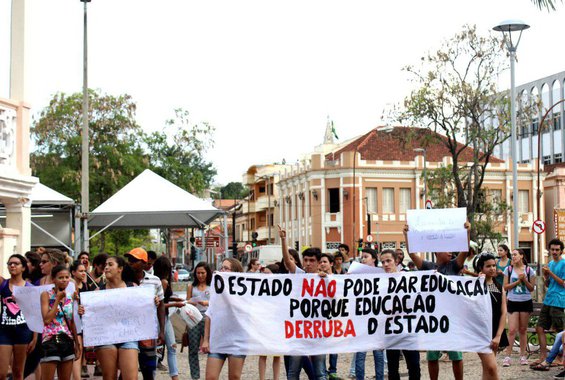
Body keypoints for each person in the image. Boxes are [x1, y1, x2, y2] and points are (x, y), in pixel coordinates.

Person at [404, 222, 470, 380]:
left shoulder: (454, 266)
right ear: (437, 252)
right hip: (433, 317)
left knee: (456, 355)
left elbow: (465, 251)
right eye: (447, 249)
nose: (450, 252)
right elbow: (412, 254)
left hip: (452, 317)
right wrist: (406, 235)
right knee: (432, 356)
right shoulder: (427, 266)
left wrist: (467, 232)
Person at [279, 226, 327, 380]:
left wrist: (325, 279)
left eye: (312, 260)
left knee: (320, 372)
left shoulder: (326, 279)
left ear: (319, 262)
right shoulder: (299, 275)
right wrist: (283, 240)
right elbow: (287, 261)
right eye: (305, 260)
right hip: (299, 331)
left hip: (318, 330)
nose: (308, 263)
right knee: (293, 372)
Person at [79, 256, 138, 380]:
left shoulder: (133, 288)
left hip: (128, 336)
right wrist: (83, 311)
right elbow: (90, 315)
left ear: (120, 269)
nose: (106, 267)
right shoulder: (97, 291)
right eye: (106, 265)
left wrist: (152, 301)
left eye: (110, 264)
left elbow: (142, 309)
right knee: (109, 377)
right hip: (106, 337)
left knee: (131, 377)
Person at [201, 258, 246, 380]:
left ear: (235, 272)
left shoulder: (244, 292)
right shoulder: (216, 289)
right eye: (222, 267)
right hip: (218, 338)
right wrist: (206, 339)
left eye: (226, 268)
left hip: (237, 340)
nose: (222, 270)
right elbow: (209, 314)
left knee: (234, 377)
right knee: (210, 377)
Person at [380, 249, 420, 380]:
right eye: (383, 262)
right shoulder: (378, 282)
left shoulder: (408, 277)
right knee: (392, 367)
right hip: (390, 330)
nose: (385, 264)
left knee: (413, 365)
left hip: (409, 329)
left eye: (388, 261)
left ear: (396, 261)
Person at [126, 248, 165, 380]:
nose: (130, 263)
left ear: (144, 262)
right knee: (126, 370)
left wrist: (162, 331)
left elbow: (161, 306)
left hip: (147, 331)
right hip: (127, 332)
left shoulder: (155, 281)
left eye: (134, 260)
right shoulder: (122, 281)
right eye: (129, 260)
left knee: (148, 369)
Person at [0, 254, 37, 380]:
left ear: (23, 268)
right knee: (2, 372)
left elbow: (35, 313)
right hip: (4, 330)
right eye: (9, 263)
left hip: (23, 330)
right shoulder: (3, 284)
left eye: (16, 263)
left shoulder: (30, 288)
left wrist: (35, 337)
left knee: (18, 371)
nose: (12, 265)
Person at [40, 265, 80, 380]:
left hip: (67, 339)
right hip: (50, 340)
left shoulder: (70, 297)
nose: (64, 280)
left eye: (67, 277)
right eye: (60, 277)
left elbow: (71, 321)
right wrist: (57, 300)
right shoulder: (46, 295)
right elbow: (47, 320)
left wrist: (77, 343)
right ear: (53, 279)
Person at [476, 253, 509, 379]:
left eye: (494, 265)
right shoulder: (475, 286)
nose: (492, 268)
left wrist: (498, 336)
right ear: (481, 268)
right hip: (480, 332)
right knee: (492, 367)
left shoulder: (500, 288)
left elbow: (503, 312)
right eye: (488, 266)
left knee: (487, 367)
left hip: (495, 332)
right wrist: (478, 283)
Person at [354, 248, 385, 380]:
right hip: (361, 320)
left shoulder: (383, 274)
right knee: (360, 355)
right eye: (361, 257)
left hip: (378, 321)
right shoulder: (355, 274)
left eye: (365, 256)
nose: (363, 259)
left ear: (373, 258)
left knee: (378, 355)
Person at [534, 239, 565, 366]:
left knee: (561, 331)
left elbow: (563, 283)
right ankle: (543, 356)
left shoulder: (563, 264)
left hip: (559, 300)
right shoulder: (550, 263)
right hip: (549, 299)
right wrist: (546, 276)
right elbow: (548, 284)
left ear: (561, 251)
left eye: (557, 250)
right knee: (540, 327)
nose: (554, 252)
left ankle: (560, 358)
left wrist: (550, 273)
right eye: (552, 249)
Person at [502, 248, 535, 367]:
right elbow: (505, 287)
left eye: (515, 255)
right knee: (511, 330)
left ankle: (523, 355)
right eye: (512, 255)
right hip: (513, 302)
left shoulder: (529, 270)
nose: (513, 257)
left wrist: (524, 280)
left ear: (521, 256)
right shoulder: (508, 269)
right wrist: (517, 282)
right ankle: (507, 356)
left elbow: (531, 288)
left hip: (525, 301)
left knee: (522, 330)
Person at [153, 256, 183, 380]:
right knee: (168, 348)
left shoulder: (156, 280)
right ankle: (174, 376)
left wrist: (174, 299)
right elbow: (160, 305)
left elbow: (162, 299)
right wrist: (175, 304)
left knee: (167, 348)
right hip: (162, 318)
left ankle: (156, 375)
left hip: (163, 318)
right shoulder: (163, 282)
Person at [186, 262, 211, 380]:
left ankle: (211, 373)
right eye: (198, 273)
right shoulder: (191, 286)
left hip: (209, 318)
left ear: (207, 273)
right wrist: (191, 302)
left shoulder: (213, 286)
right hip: (194, 318)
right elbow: (186, 302)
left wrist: (207, 303)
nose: (200, 275)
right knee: (193, 349)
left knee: (211, 348)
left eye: (203, 273)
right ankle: (195, 376)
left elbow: (218, 303)